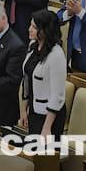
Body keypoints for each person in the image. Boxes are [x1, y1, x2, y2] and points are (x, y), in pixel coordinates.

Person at [19, 9, 67, 137]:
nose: (29, 29)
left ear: (45, 30)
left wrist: (47, 127)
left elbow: (58, 95)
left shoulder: (56, 55)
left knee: (44, 149)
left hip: (50, 115)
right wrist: (23, 110)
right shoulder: (33, 45)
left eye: (34, 27)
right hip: (34, 108)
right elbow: (26, 81)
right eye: (30, 25)